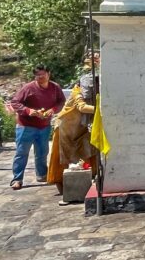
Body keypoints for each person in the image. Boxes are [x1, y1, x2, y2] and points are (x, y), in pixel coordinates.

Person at [47, 52, 97, 201]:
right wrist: (102, 109)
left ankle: (86, 184)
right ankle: (64, 191)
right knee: (63, 159)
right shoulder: (77, 93)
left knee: (88, 153)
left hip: (79, 128)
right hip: (65, 128)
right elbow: (82, 107)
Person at [8, 65, 66, 190]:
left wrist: (53, 110)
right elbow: (15, 102)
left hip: (44, 125)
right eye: (38, 75)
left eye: (43, 74)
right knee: (22, 153)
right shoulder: (28, 88)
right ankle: (17, 179)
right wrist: (29, 111)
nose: (40, 77)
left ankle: (42, 175)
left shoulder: (55, 87)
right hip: (26, 126)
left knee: (42, 152)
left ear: (48, 74)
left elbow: (61, 101)